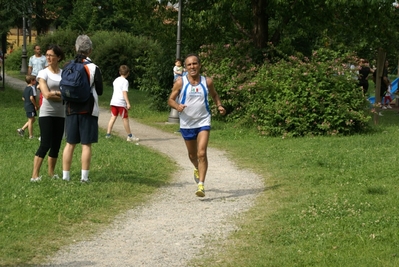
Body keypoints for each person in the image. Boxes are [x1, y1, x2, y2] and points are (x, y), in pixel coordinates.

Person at [167, 54, 226, 197]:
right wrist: (177, 106)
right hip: (187, 123)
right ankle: (196, 168)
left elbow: (214, 95)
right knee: (192, 154)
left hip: (203, 121)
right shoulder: (181, 82)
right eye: (189, 65)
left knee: (201, 153)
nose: (192, 67)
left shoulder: (207, 82)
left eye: (195, 64)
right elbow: (170, 99)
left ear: (199, 65)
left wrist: (219, 105)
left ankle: (201, 185)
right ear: (185, 68)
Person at [62, 35, 103, 183]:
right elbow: (99, 91)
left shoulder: (67, 66)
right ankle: (84, 178)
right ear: (90, 50)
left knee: (70, 143)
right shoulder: (94, 68)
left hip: (71, 108)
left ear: (76, 48)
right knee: (86, 144)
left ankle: (65, 177)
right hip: (88, 109)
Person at [30, 45, 65, 182]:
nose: (48, 58)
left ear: (59, 57)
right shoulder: (43, 73)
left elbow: (69, 94)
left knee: (56, 144)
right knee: (45, 144)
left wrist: (55, 93)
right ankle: (35, 175)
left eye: (51, 55)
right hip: (47, 112)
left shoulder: (63, 73)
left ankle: (51, 173)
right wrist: (59, 94)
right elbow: (46, 94)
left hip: (60, 113)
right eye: (47, 55)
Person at [105, 65, 139, 142]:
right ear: (128, 73)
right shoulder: (125, 82)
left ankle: (108, 134)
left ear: (120, 72)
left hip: (114, 101)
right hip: (121, 102)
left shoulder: (116, 80)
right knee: (125, 119)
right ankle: (130, 135)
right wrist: (128, 103)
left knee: (113, 117)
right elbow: (124, 93)